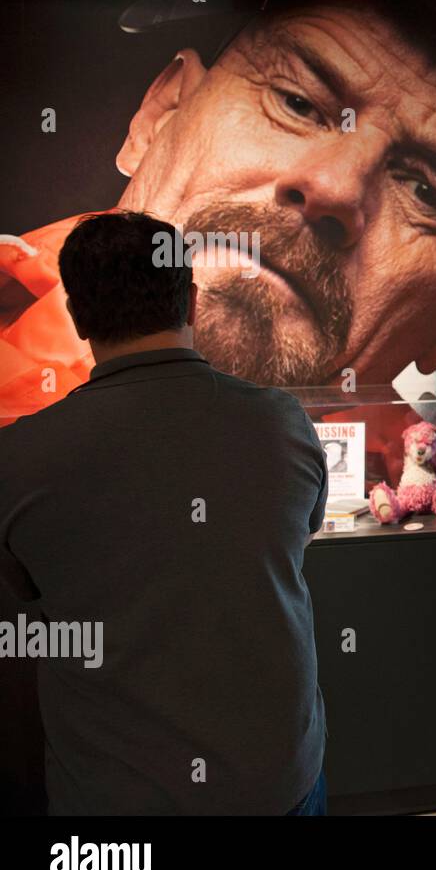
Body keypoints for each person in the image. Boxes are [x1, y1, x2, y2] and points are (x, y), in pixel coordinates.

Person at [0, 0, 436, 416]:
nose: (333, 187)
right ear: (160, 117)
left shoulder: (434, 536)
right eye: (296, 103)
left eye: (425, 193)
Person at [0, 212, 328, 814]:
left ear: (77, 316)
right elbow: (300, 538)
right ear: (194, 304)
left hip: (112, 797)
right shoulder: (282, 423)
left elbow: (24, 599)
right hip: (277, 782)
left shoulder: (18, 456)